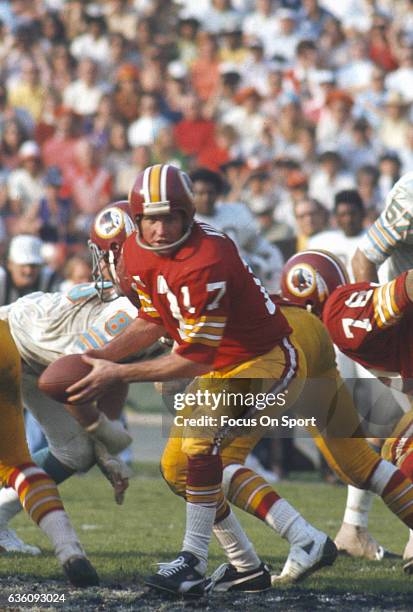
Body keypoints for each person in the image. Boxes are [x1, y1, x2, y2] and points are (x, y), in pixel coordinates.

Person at [67, 165, 413, 596]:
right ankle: (252, 562)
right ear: (135, 223)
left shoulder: (205, 259)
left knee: (201, 446)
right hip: (259, 352)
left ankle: (193, 558)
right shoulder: (140, 254)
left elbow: (195, 356)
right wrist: (97, 356)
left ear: (189, 214)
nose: (158, 230)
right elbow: (153, 319)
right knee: (180, 468)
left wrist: (116, 372)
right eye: (150, 220)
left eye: (169, 217)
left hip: (260, 360)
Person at [0, 202, 143, 555]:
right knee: (9, 452)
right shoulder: (126, 309)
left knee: (74, 451)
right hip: (9, 339)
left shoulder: (137, 301)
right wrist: (105, 439)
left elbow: (114, 371)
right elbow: (69, 376)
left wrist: (102, 446)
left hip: (36, 359)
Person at [281, 250, 413, 570]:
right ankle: (355, 530)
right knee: (392, 444)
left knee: (399, 452)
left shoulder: (340, 315)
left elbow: (405, 285)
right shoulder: (338, 321)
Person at [0, 234, 60, 305]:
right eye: (23, 265)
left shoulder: (49, 280)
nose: (28, 271)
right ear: (10, 264)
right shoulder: (1, 281)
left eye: (33, 266)